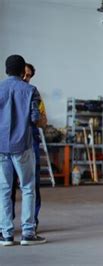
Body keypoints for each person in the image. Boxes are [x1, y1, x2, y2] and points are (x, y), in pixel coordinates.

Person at [0, 54, 46, 246]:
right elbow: (36, 118)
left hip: (1, 146)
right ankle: (28, 233)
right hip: (23, 146)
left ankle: (6, 234)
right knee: (28, 188)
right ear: (22, 71)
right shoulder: (30, 90)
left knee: (3, 189)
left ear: (6, 70)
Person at [10, 62, 47, 232]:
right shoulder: (9, 92)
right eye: (24, 74)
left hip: (30, 140)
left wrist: (36, 115)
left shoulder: (34, 94)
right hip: (9, 142)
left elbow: (42, 121)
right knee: (7, 186)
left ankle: (31, 222)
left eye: (29, 75)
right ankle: (6, 224)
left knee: (32, 185)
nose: (26, 78)